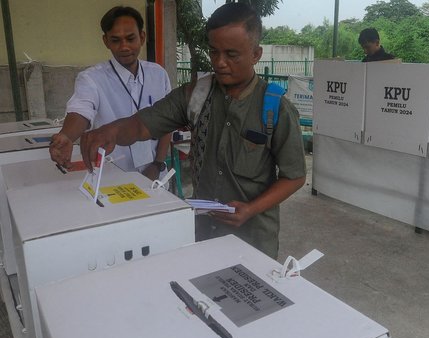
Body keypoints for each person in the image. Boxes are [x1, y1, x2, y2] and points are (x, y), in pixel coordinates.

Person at [80, 2, 306, 259]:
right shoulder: (196, 94)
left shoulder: (275, 108)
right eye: (214, 52)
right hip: (203, 231)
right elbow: (143, 124)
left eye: (232, 54)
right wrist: (109, 132)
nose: (220, 63)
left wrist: (251, 209)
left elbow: (295, 176)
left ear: (256, 54)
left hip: (253, 240)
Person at [49, 5, 172, 181]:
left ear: (142, 37)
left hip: (155, 175)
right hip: (111, 177)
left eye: (130, 38)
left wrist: (158, 164)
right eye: (115, 40)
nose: (124, 47)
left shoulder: (158, 75)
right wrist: (66, 136)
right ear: (106, 41)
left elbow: (167, 122)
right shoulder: (91, 79)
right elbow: (81, 110)